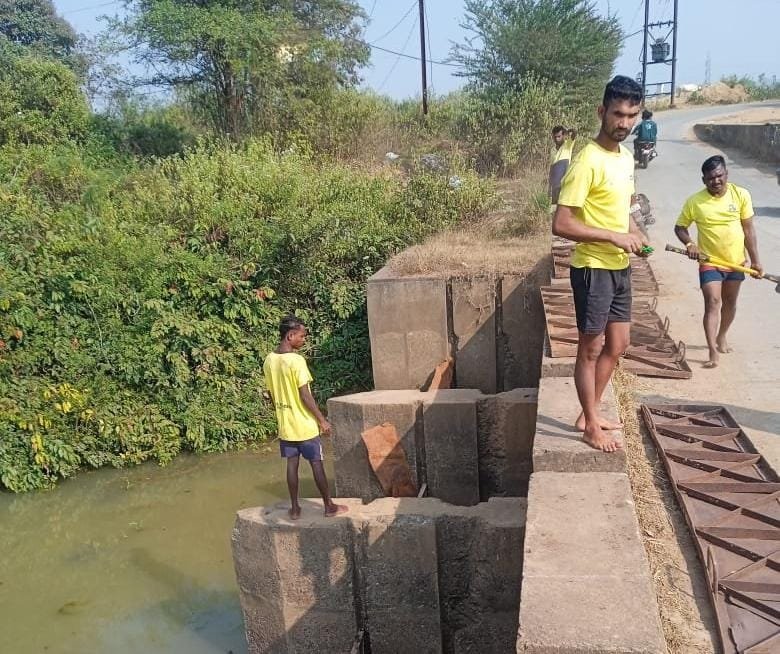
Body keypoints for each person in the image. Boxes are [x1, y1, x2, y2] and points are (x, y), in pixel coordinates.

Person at [552, 75, 649, 453]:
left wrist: (634, 234)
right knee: (590, 349)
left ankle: (586, 411)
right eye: (617, 114)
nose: (623, 123)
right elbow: (562, 223)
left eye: (631, 116)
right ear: (601, 112)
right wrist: (613, 237)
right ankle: (591, 425)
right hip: (592, 267)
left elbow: (620, 212)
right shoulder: (586, 160)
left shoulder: (625, 159)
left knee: (619, 343)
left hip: (619, 266)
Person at [674, 155, 762, 368]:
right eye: (711, 178)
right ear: (703, 180)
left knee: (730, 303)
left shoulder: (740, 195)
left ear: (726, 175)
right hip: (709, 261)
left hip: (736, 263)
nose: (716, 181)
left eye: (719, 176)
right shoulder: (695, 201)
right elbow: (680, 227)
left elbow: (748, 230)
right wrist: (689, 245)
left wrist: (756, 262)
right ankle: (712, 350)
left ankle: (722, 335)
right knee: (713, 302)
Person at [263, 314, 348, 520]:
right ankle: (329, 506)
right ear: (290, 336)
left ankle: (294, 509)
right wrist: (322, 420)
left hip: (286, 426)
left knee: (292, 465)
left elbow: (273, 395)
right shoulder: (296, 361)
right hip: (305, 425)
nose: (304, 340)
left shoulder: (269, 360)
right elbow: (305, 395)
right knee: (316, 463)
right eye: (301, 336)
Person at [549, 125, 577, 205]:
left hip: (564, 182)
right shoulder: (552, 150)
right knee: (554, 207)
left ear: (564, 136)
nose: (557, 139)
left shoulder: (568, 145)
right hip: (554, 185)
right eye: (555, 137)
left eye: (559, 136)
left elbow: (574, 133)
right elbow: (552, 168)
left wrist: (569, 130)